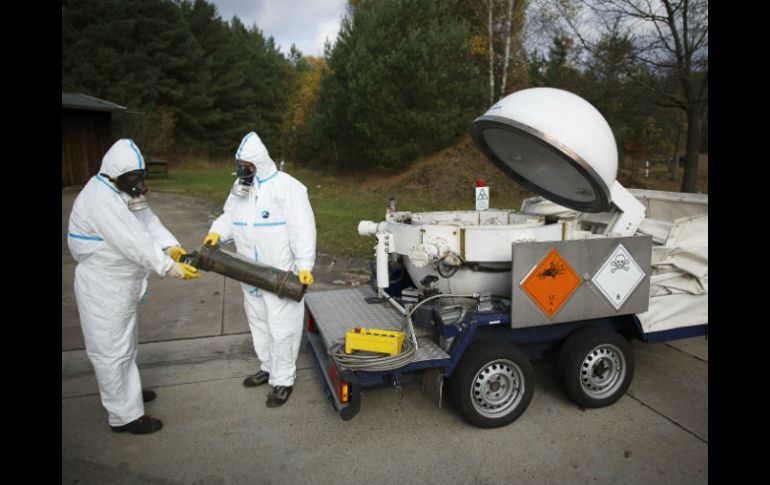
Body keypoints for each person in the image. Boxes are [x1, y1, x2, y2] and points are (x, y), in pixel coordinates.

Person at [67, 139, 201, 435]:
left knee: (125, 342)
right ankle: (124, 417)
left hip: (120, 283)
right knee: (111, 349)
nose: (139, 183)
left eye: (141, 176)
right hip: (103, 285)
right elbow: (133, 240)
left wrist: (171, 247)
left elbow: (146, 221)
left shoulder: (121, 188)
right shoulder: (100, 199)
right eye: (133, 178)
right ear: (114, 174)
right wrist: (169, 267)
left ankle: (128, 394)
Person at [203, 131, 316, 407]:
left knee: (282, 328)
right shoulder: (242, 187)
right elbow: (230, 217)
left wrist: (304, 265)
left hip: (279, 276)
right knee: (258, 323)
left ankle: (283, 380)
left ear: (259, 163)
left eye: (247, 165)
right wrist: (217, 232)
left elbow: (303, 229)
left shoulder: (288, 188)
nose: (242, 170)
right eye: (240, 164)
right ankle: (267, 367)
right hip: (248, 273)